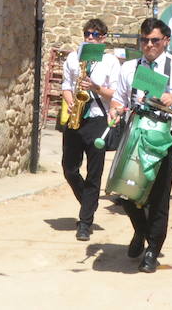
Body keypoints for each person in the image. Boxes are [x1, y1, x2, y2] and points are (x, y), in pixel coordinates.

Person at [109, 17, 172, 273]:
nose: (149, 45)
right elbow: (118, 99)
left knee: (158, 197)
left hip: (163, 138)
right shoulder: (130, 67)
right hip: (134, 134)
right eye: (144, 40)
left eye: (154, 40)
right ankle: (141, 231)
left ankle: (153, 250)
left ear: (166, 41)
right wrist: (114, 112)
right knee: (125, 191)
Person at [60, 18, 123, 241]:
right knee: (69, 169)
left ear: (103, 38)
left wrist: (95, 87)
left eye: (95, 35)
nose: (90, 38)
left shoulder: (110, 61)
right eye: (87, 33)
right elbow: (66, 86)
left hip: (98, 118)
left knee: (94, 172)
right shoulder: (73, 56)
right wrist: (70, 103)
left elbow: (116, 94)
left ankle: (85, 221)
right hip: (76, 116)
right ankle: (90, 202)